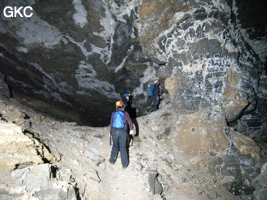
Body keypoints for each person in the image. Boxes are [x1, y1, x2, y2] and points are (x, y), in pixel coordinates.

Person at [109, 100, 134, 168]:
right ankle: (125, 164)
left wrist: (110, 132)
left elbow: (111, 123)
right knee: (123, 148)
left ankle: (112, 160)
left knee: (115, 146)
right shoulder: (125, 113)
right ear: (123, 106)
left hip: (114, 131)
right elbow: (129, 122)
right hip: (123, 131)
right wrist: (131, 130)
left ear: (117, 107)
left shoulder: (113, 113)